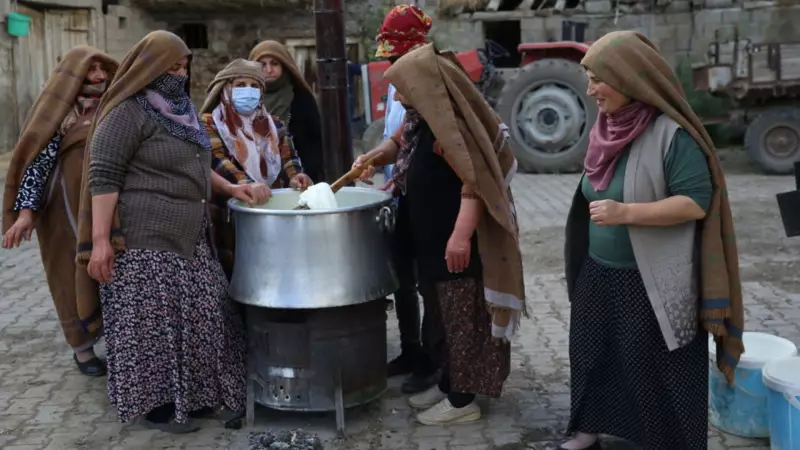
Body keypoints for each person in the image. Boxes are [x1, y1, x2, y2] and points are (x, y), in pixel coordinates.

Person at [75, 30, 265, 433]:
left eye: (183, 67)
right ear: (148, 69)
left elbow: (196, 165)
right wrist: (102, 241)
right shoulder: (126, 112)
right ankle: (159, 408)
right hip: (144, 241)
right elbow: (103, 177)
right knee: (153, 328)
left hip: (191, 237)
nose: (179, 74)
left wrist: (232, 187)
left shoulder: (181, 110)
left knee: (205, 318)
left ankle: (195, 399)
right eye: (171, 67)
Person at [562, 30, 744, 450]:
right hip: (599, 268)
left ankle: (665, 440)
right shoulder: (606, 129)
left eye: (597, 79)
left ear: (628, 78)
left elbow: (696, 202)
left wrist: (627, 214)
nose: (590, 91)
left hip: (649, 278)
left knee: (650, 363)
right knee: (591, 350)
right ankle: (586, 428)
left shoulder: (671, 135)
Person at [355, 43, 526, 426]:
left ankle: (464, 399)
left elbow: (475, 181)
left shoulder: (453, 124)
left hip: (456, 241)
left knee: (462, 318)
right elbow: (397, 142)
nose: (397, 96)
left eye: (401, 88)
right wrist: (370, 158)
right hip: (431, 237)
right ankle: (449, 382)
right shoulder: (422, 118)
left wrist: (461, 235)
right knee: (443, 318)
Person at [2, 46, 118, 377]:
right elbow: (36, 165)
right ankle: (82, 349)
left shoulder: (118, 108)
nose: (97, 76)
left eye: (102, 69)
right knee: (68, 276)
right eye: (89, 70)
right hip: (62, 215)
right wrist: (26, 212)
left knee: (112, 272)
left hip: (110, 210)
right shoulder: (58, 115)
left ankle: (120, 343)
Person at [368, 3, 439, 395]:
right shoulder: (399, 86)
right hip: (400, 195)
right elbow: (398, 136)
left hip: (430, 200)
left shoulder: (432, 83)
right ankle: (410, 349)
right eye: (389, 56)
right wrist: (374, 156)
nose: (391, 63)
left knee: (431, 282)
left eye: (397, 55)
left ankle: (432, 359)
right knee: (403, 281)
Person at [199, 58, 312, 278]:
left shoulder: (274, 124)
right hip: (227, 214)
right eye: (240, 85)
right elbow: (219, 162)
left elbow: (288, 157)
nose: (248, 91)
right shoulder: (208, 124)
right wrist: (249, 185)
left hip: (269, 211)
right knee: (235, 274)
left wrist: (296, 176)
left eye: (255, 86)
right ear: (226, 88)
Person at [249, 40, 324, 182]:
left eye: (274, 64)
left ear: (284, 66)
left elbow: (314, 146)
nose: (269, 70)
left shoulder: (301, 98)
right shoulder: (245, 98)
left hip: (297, 179)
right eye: (262, 65)